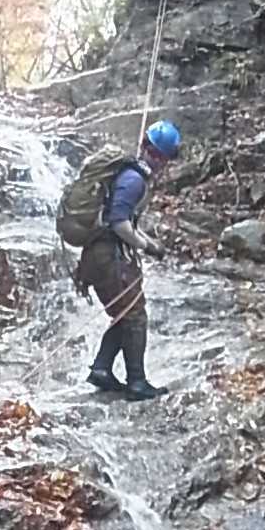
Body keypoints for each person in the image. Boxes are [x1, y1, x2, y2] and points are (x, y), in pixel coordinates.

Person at [76, 119, 182, 402]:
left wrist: (150, 244)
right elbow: (119, 223)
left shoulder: (129, 175)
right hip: (108, 257)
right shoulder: (134, 180)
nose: (161, 162)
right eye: (161, 156)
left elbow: (124, 220)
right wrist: (146, 246)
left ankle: (101, 368)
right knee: (135, 315)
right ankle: (137, 382)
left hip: (98, 255)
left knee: (124, 312)